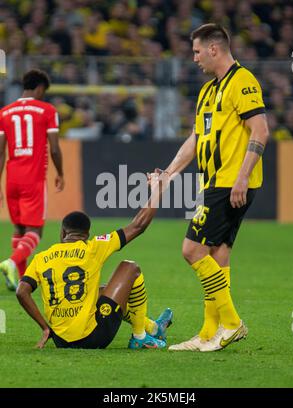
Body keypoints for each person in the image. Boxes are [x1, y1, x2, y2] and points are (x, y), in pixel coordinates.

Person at [150, 24, 269, 352]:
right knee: (218, 254)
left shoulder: (242, 81)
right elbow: (195, 140)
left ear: (214, 49)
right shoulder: (207, 92)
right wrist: (170, 173)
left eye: (197, 51)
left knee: (191, 250)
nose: (194, 57)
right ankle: (208, 333)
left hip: (231, 182)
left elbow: (260, 129)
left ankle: (231, 323)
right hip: (216, 182)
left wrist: (243, 176)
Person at [16, 177, 173, 350]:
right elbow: (138, 226)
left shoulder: (41, 257)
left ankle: (153, 327)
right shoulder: (93, 247)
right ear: (87, 234)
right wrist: (158, 190)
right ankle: (139, 337)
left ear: (63, 232)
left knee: (101, 291)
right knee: (130, 267)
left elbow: (21, 291)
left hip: (60, 341)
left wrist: (45, 328)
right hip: (93, 338)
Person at [0, 69, 64, 291]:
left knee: (19, 231)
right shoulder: (47, 110)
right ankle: (11, 262)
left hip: (12, 178)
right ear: (39, 88)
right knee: (35, 231)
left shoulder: (5, 112)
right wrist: (61, 173)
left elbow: (0, 152)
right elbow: (54, 148)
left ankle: (20, 278)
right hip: (33, 178)